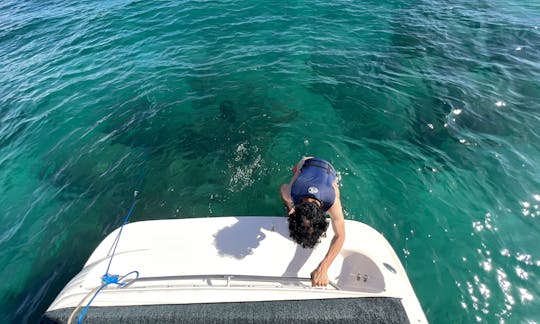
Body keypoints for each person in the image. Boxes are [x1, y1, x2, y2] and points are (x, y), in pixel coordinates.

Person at [280, 157, 345, 287]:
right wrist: (289, 209)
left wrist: (323, 267)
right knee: (297, 171)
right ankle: (298, 171)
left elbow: (341, 236)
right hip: (306, 161)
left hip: (328, 169)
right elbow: (282, 189)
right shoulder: (291, 192)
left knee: (335, 189)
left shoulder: (333, 203)